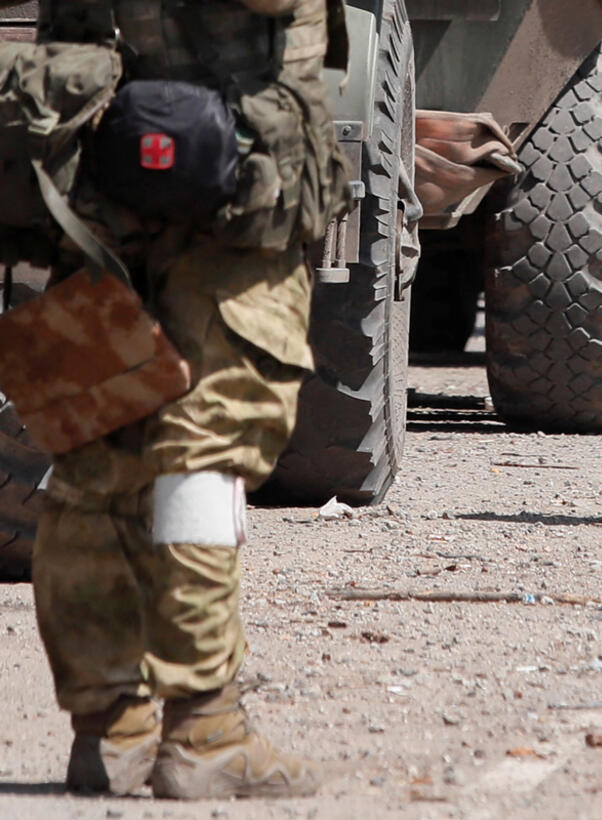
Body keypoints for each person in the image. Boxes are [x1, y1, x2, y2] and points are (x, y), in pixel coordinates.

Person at [11, 0, 350, 799]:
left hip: (98, 189)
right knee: (202, 457)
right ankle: (205, 728)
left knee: (93, 453)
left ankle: (110, 727)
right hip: (232, 204)